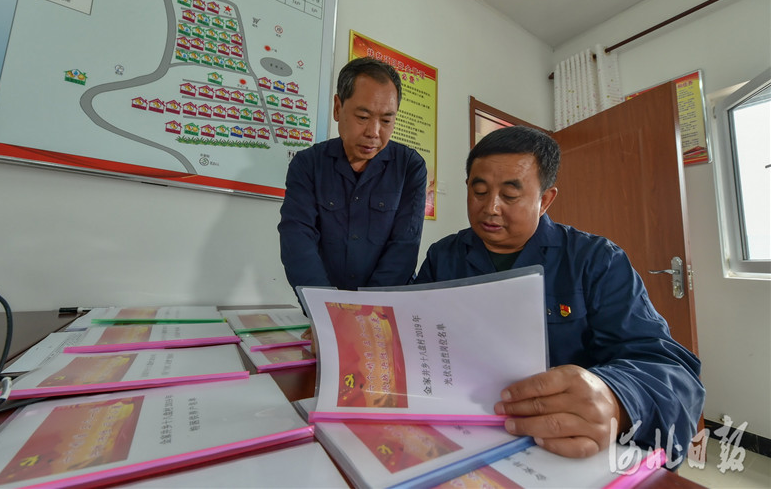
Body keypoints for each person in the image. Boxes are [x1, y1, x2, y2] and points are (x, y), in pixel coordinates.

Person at [414, 126, 704, 464]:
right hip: (461, 429)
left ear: (545, 199)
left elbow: (671, 374)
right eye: (479, 192)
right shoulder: (443, 256)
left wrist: (615, 399)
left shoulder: (596, 261)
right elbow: (414, 335)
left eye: (510, 196)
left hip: (559, 446)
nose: (490, 207)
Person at [279, 57, 427, 299]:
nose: (374, 132)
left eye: (386, 120)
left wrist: (367, 309)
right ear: (338, 108)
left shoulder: (410, 167)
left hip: (384, 306)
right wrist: (326, 306)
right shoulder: (308, 164)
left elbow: (404, 247)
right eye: (363, 117)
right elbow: (297, 239)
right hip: (324, 305)